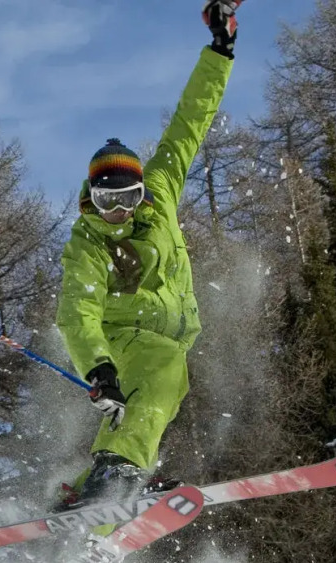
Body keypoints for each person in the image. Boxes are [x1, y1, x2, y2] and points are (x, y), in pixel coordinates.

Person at [53, 1, 238, 510]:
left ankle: (99, 501)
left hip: (170, 339)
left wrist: (220, 51)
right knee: (157, 381)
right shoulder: (88, 241)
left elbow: (189, 123)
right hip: (124, 339)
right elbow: (77, 311)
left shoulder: (160, 190)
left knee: (160, 395)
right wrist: (99, 370)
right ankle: (117, 473)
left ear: (142, 193)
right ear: (93, 199)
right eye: (108, 202)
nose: (119, 212)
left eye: (128, 200)